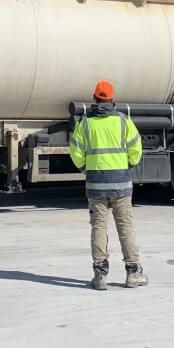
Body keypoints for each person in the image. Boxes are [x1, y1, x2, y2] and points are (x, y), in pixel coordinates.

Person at [69, 80, 146, 290]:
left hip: (95, 184)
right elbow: (136, 150)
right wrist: (127, 164)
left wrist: (86, 167)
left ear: (94, 99)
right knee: (125, 227)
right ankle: (133, 273)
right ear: (112, 99)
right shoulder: (123, 122)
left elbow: (75, 152)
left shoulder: (85, 123)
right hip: (121, 184)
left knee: (99, 227)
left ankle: (100, 275)